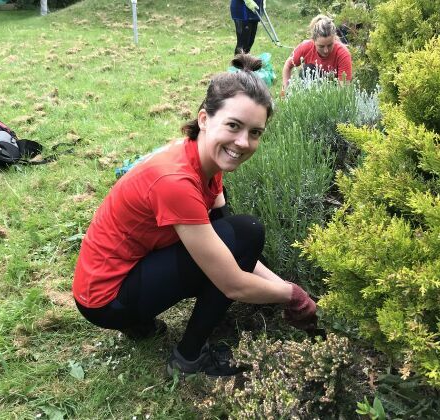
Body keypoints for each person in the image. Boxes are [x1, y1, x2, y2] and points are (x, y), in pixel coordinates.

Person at [73, 54, 317, 378]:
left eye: (255, 132)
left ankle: (138, 322)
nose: (243, 142)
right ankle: (188, 358)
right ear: (204, 119)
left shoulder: (202, 159)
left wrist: (287, 289)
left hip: (107, 282)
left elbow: (230, 249)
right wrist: (292, 295)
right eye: (233, 125)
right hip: (105, 299)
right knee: (248, 231)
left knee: (239, 234)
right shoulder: (177, 181)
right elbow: (233, 282)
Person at [281, 15, 352, 95]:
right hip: (311, 88)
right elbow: (287, 65)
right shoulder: (305, 47)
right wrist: (285, 93)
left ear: (334, 39)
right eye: (321, 46)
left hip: (333, 92)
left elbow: (343, 92)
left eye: (330, 45)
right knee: (309, 70)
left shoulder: (343, 53)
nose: (326, 50)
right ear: (313, 41)